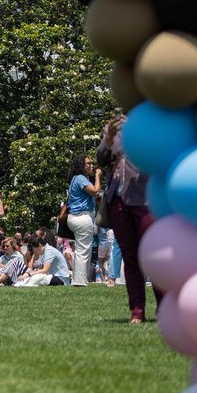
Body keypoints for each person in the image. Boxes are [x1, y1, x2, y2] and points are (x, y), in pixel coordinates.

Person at [97, 113, 160, 323]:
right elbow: (101, 159)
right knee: (130, 258)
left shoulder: (151, 125)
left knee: (153, 257)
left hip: (145, 199)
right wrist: (108, 139)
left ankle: (164, 308)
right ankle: (137, 311)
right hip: (118, 200)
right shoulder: (113, 127)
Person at [65, 153, 102, 287]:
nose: (91, 166)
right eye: (88, 163)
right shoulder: (80, 178)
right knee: (83, 251)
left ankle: (80, 279)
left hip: (75, 217)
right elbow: (96, 191)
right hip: (82, 217)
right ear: (81, 166)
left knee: (82, 249)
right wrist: (98, 176)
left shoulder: (76, 179)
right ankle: (79, 282)